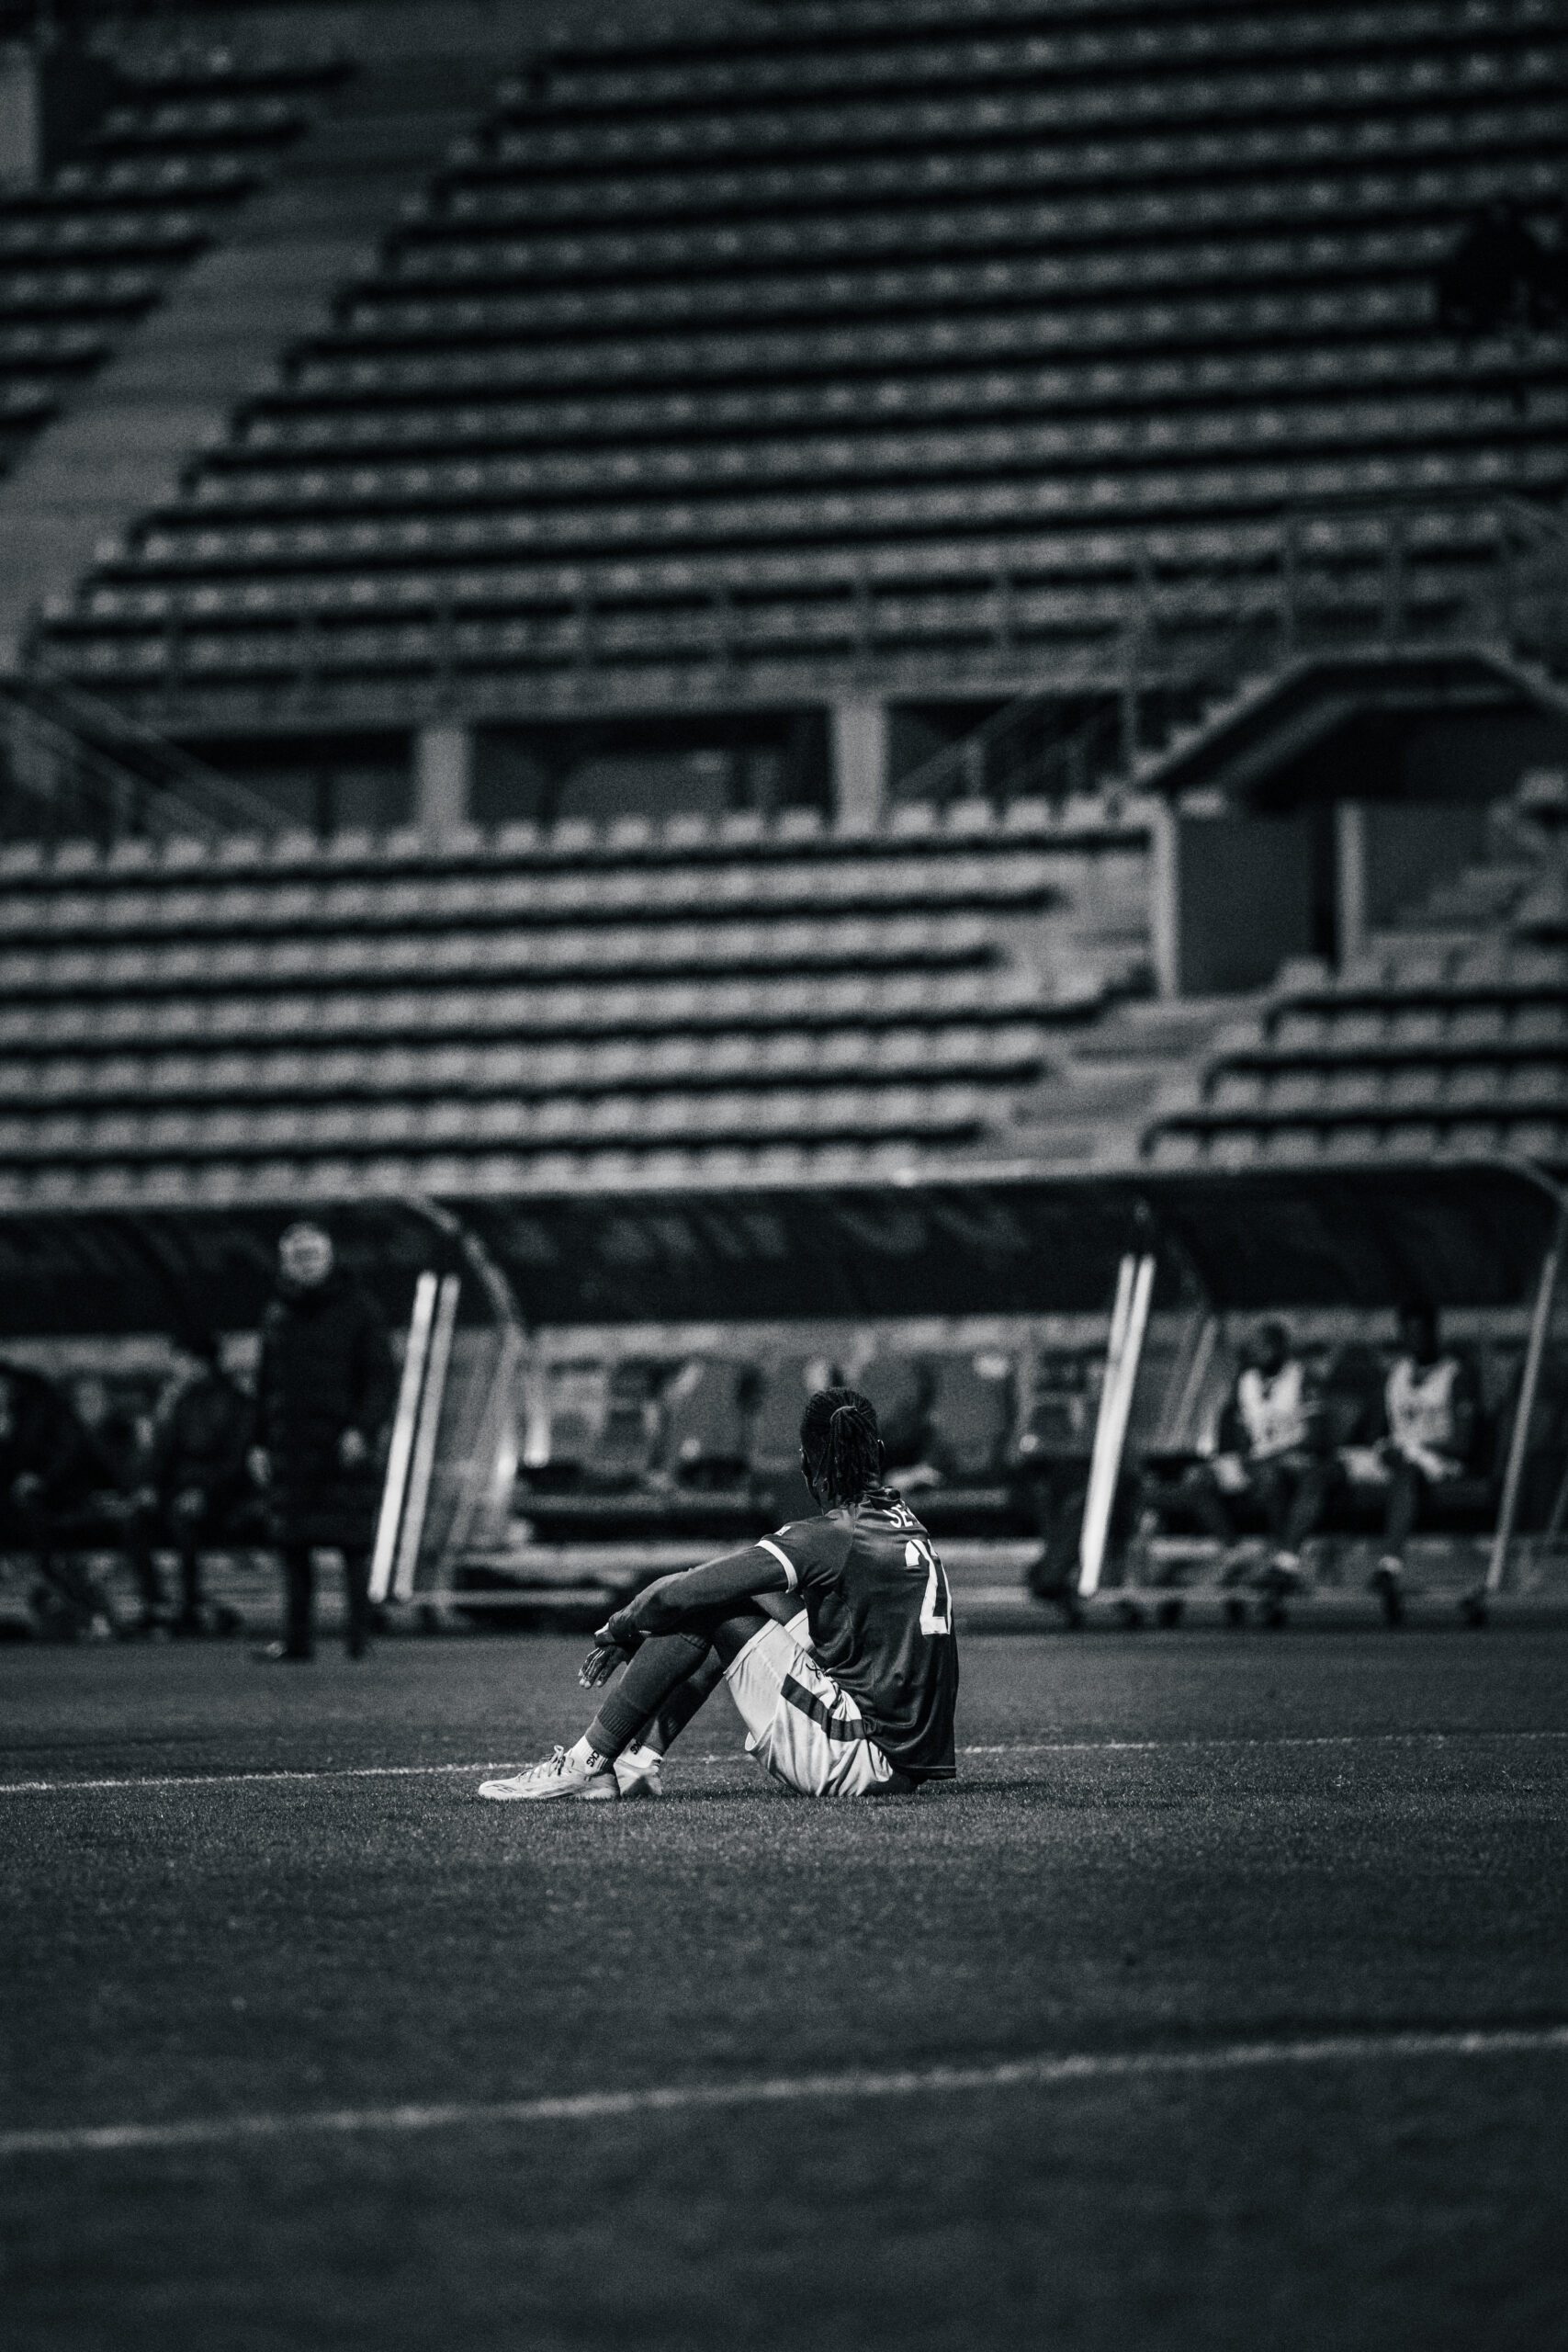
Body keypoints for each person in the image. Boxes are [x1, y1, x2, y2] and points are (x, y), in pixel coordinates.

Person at [479, 1386, 959, 1804]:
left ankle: (586, 1764)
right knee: (739, 1598)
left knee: (708, 1604)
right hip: (899, 1757)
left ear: (806, 1462)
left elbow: (681, 1595)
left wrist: (624, 1625)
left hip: (857, 1754)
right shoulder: (903, 1522)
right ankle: (635, 1763)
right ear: (878, 1453)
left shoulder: (831, 1535)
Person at [251, 1222, 396, 1662]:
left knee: (353, 1544)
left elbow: (380, 1378)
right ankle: (297, 1641)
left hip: (341, 1445)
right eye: (298, 1255)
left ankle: (359, 1638)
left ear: (330, 1258)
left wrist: (361, 1430)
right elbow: (265, 1384)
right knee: (293, 1546)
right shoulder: (276, 1313)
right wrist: (258, 1442)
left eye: (313, 1254)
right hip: (290, 1447)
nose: (306, 1263)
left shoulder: (360, 1309)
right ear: (284, 1263)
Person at [1150, 1321, 1330, 1591]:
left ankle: (1282, 1560)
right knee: (1197, 1479)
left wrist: (1273, 1457)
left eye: (1266, 1346)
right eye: (1255, 1346)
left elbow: (1316, 1435)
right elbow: (1237, 1434)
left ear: (1281, 1347)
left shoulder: (1304, 1379)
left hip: (1291, 1457)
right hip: (1253, 1461)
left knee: (1273, 1478)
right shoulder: (1245, 1381)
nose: (1259, 1352)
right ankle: (1234, 1553)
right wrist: (1239, 1458)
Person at [128, 1336, 254, 1636]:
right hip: (180, 1490)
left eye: (180, 1361)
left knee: (183, 1520)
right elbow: (164, 1453)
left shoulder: (235, 1402)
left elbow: (235, 1461)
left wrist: (205, 1492)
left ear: (200, 1363)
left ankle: (190, 1605)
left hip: (221, 1495)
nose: (175, 1368)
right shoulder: (181, 1401)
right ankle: (155, 1604)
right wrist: (149, 1485)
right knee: (136, 1521)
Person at [1371, 1302, 1480, 1622]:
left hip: (1439, 1461)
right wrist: (1382, 1446)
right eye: (1408, 1333)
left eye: (1421, 1332)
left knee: (1409, 1470)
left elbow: (1463, 1443)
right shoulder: (1397, 1374)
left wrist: (1415, 1447)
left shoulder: (1456, 1375)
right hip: (1396, 1456)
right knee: (1328, 1471)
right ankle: (1286, 1563)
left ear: (1434, 1333)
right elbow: (1377, 1430)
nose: (1414, 1340)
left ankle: (1388, 1566)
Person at [0, 1360, 112, 1639]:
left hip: (49, 1502)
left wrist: (40, 1479)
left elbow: (68, 1452)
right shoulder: (13, 1418)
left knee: (46, 1546)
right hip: (17, 1506)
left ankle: (77, 1604)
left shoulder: (42, 1412)